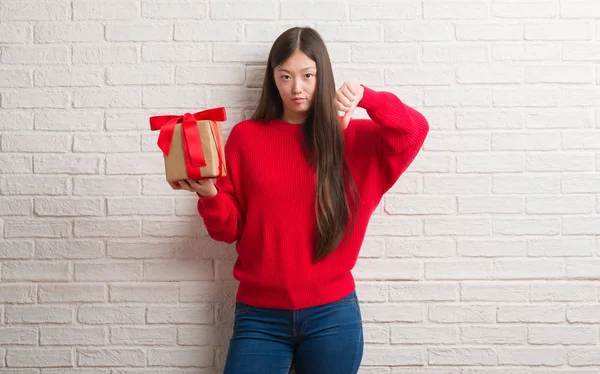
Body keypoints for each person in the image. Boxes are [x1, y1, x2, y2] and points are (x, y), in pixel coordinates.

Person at [172, 27, 429, 374]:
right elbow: (228, 230)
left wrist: (366, 97)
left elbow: (415, 130)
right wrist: (209, 194)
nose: (297, 88)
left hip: (333, 316)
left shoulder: (353, 139)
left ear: (322, 76)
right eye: (286, 76)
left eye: (308, 75)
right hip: (259, 316)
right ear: (273, 80)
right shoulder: (246, 138)